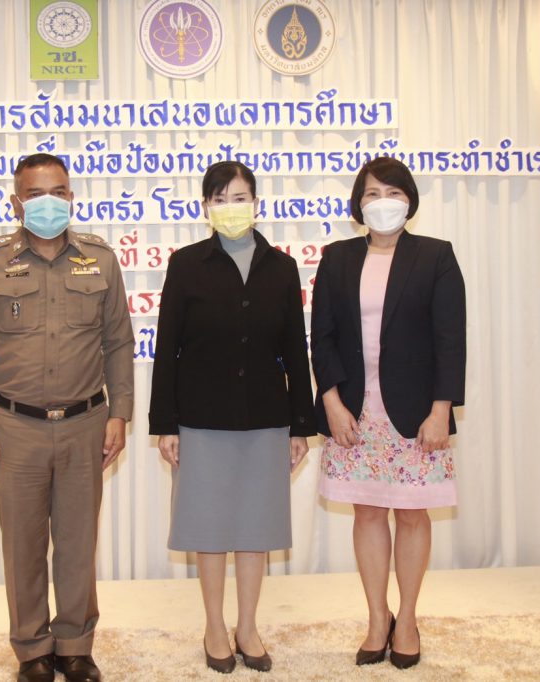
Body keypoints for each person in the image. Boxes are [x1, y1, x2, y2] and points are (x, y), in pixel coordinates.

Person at [0, 153, 134, 682]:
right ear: (16, 203)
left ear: (71, 197)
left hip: (85, 423)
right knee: (23, 545)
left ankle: (75, 645)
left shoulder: (100, 259)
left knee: (78, 543)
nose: (47, 202)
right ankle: (32, 648)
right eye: (35, 194)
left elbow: (119, 342)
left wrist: (120, 413)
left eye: (57, 192)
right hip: (13, 427)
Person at [149, 161, 316, 674]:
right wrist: (165, 423)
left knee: (254, 527)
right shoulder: (186, 265)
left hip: (266, 417)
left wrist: (301, 425)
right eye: (219, 199)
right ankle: (214, 627)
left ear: (256, 204)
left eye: (239, 198)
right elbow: (167, 347)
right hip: (201, 417)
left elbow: (296, 349)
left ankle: (248, 626)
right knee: (209, 527)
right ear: (205, 208)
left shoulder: (282, 268)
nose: (230, 208)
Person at [310, 156, 466, 669]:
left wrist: (441, 410)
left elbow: (450, 340)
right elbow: (322, 338)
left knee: (414, 514)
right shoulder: (336, 258)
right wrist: (331, 402)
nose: (383, 203)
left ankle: (410, 618)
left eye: (393, 192)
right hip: (355, 413)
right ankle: (378, 618)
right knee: (368, 512)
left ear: (409, 200)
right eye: (372, 193)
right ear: (358, 204)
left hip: (417, 414)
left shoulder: (436, 256)